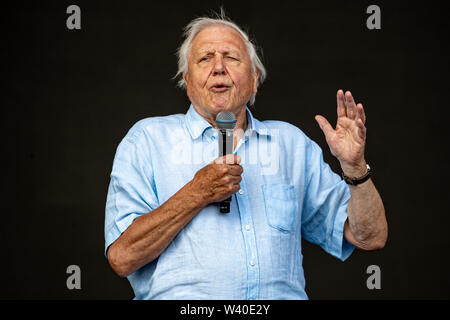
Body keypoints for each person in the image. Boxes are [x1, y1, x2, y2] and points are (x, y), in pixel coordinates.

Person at [104, 11, 388, 300]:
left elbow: (370, 237)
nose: (218, 67)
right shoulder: (147, 140)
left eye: (231, 57)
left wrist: (354, 168)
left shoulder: (290, 144)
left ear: (254, 79)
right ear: (186, 81)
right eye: (205, 58)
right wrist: (196, 193)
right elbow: (123, 257)